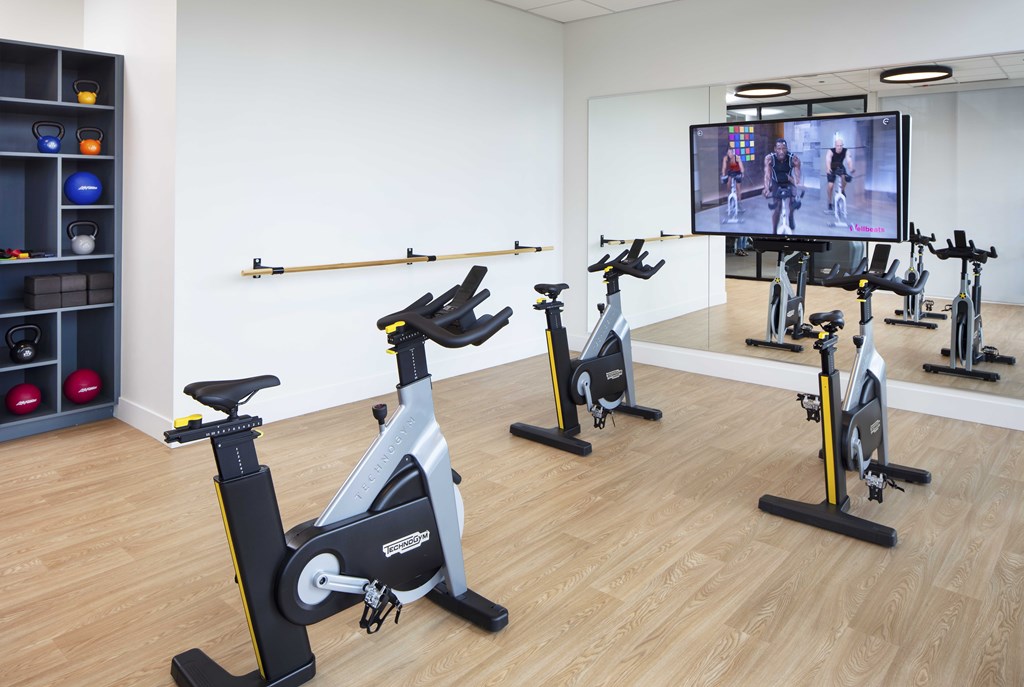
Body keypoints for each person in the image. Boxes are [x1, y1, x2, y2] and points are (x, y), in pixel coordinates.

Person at [763, 138, 802, 233]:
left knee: (793, 202)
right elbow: (767, 175)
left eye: (784, 148)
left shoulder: (793, 158)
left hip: (788, 181)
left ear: (787, 148)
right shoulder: (770, 158)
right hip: (776, 182)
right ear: (775, 149)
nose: (781, 151)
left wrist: (796, 181)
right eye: (779, 148)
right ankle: (774, 231)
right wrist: (767, 188)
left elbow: (797, 177)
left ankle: (791, 216)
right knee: (777, 208)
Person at [721, 145, 749, 254]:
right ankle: (730, 200)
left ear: (733, 152)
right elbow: (724, 168)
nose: (730, 153)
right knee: (728, 184)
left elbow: (741, 167)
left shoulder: (737, 157)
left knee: (738, 188)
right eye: (728, 152)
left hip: (737, 173)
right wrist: (723, 175)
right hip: (730, 173)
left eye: (731, 152)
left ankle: (739, 203)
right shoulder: (725, 158)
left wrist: (742, 172)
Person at [824, 134, 854, 212]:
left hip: (840, 167)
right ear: (835, 145)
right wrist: (828, 168)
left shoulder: (846, 151)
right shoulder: (831, 151)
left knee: (845, 177)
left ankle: (842, 190)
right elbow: (828, 159)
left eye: (841, 145)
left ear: (842, 145)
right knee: (830, 186)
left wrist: (851, 168)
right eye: (838, 145)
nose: (839, 147)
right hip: (831, 168)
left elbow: (849, 159)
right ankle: (830, 202)